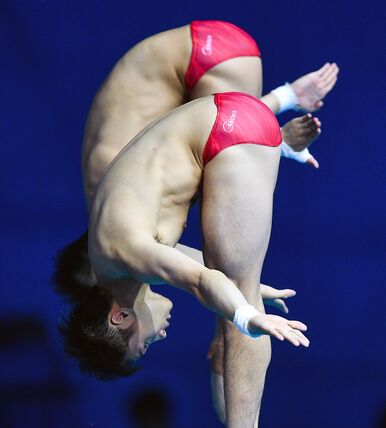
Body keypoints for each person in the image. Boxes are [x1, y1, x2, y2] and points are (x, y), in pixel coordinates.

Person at [60, 91, 310, 428]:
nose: (158, 340)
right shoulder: (112, 262)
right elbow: (186, 260)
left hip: (231, 132)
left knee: (239, 310)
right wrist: (244, 292)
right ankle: (284, 127)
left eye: (142, 345)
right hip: (231, 123)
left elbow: (203, 281)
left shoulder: (122, 252)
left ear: (120, 317)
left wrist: (247, 313)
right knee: (237, 291)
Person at [53, 20, 338, 302]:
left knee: (220, 202)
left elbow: (218, 146)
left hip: (201, 60)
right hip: (209, 50)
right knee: (206, 179)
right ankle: (281, 125)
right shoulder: (111, 215)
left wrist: (234, 306)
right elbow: (175, 258)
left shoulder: (113, 205)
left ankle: (284, 117)